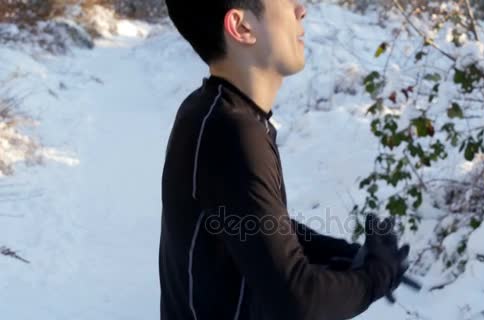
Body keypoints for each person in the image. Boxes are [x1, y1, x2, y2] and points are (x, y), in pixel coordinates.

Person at [158, 0, 410, 319]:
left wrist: (347, 255)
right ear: (242, 27)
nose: (300, 10)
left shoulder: (212, 110)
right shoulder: (232, 131)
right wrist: (376, 277)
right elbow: (298, 298)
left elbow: (249, 223)